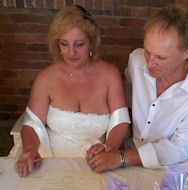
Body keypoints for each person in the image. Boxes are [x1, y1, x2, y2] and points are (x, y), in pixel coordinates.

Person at [15, 5, 130, 177]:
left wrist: (109, 148)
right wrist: (30, 149)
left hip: (97, 161)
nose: (71, 52)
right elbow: (31, 124)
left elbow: (121, 122)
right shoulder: (46, 77)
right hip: (50, 160)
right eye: (64, 44)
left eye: (79, 44)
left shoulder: (109, 74)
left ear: (91, 42)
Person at [87, 4, 188, 172]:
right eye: (147, 51)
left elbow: (181, 148)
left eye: (161, 57)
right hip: (126, 158)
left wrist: (122, 157)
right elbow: (128, 109)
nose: (150, 62)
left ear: (187, 52)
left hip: (173, 170)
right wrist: (109, 147)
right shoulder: (136, 61)